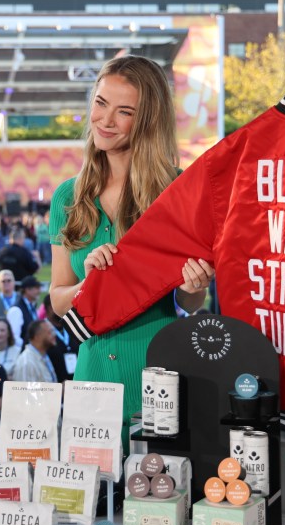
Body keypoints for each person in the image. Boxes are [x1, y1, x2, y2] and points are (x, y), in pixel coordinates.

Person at [48, 55, 213, 445]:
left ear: (147, 120)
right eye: (101, 103)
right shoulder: (68, 198)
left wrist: (195, 285)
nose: (105, 120)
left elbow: (189, 302)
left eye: (124, 112)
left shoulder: (177, 193)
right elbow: (58, 300)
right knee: (96, 504)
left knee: (155, 501)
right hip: (92, 383)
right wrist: (90, 282)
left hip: (157, 376)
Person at [43, 294, 79, 382]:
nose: (63, 309)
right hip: (54, 386)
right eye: (59, 306)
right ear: (49, 308)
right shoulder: (40, 330)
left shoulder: (71, 326)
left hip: (76, 383)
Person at [7, 275, 43, 345]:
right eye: (37, 288)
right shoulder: (16, 310)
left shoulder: (32, 307)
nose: (39, 291)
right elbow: (15, 338)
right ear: (27, 290)